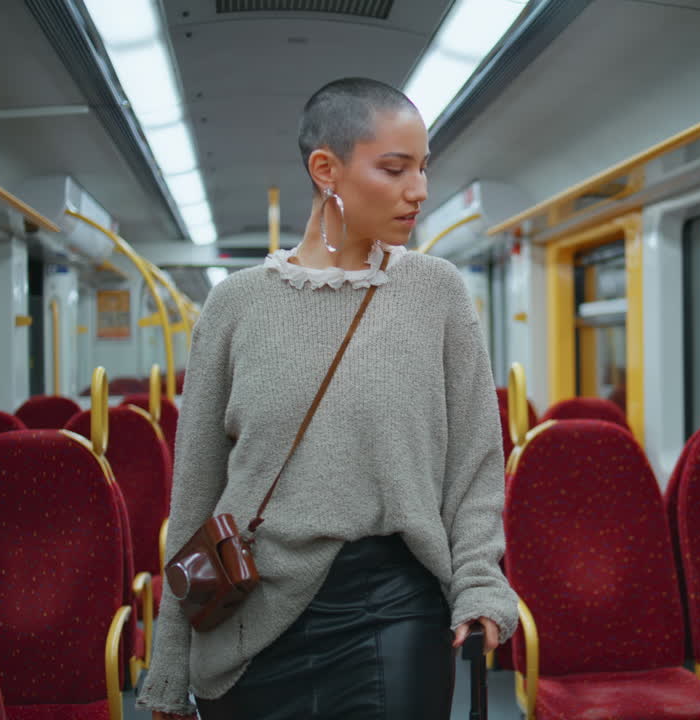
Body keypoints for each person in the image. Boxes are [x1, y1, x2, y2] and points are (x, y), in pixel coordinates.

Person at [137, 77, 518, 719]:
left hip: (395, 599)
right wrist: (170, 662)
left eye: (423, 168)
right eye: (394, 168)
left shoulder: (439, 295)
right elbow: (196, 491)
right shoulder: (235, 306)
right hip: (250, 607)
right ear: (326, 170)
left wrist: (480, 582)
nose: (419, 190)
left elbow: (475, 464)